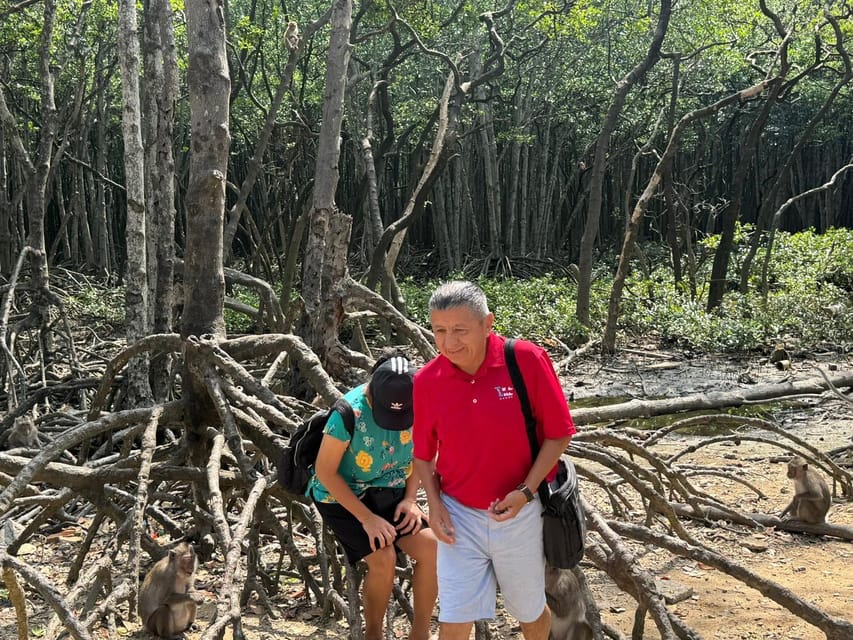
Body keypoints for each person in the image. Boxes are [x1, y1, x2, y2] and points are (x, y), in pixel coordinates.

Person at [412, 281, 576, 640]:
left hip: (520, 511)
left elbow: (559, 431)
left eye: (459, 330)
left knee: (530, 611)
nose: (449, 343)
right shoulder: (427, 381)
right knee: (454, 618)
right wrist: (434, 506)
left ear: (488, 324)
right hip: (458, 516)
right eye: (439, 331)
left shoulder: (526, 360)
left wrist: (525, 491)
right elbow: (423, 456)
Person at [308, 352, 438, 640]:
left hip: (391, 488)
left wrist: (411, 499)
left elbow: (423, 454)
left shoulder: (423, 402)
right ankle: (374, 633)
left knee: (433, 549)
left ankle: (420, 634)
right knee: (384, 556)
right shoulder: (347, 413)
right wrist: (367, 519)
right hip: (341, 494)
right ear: (372, 392)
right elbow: (326, 472)